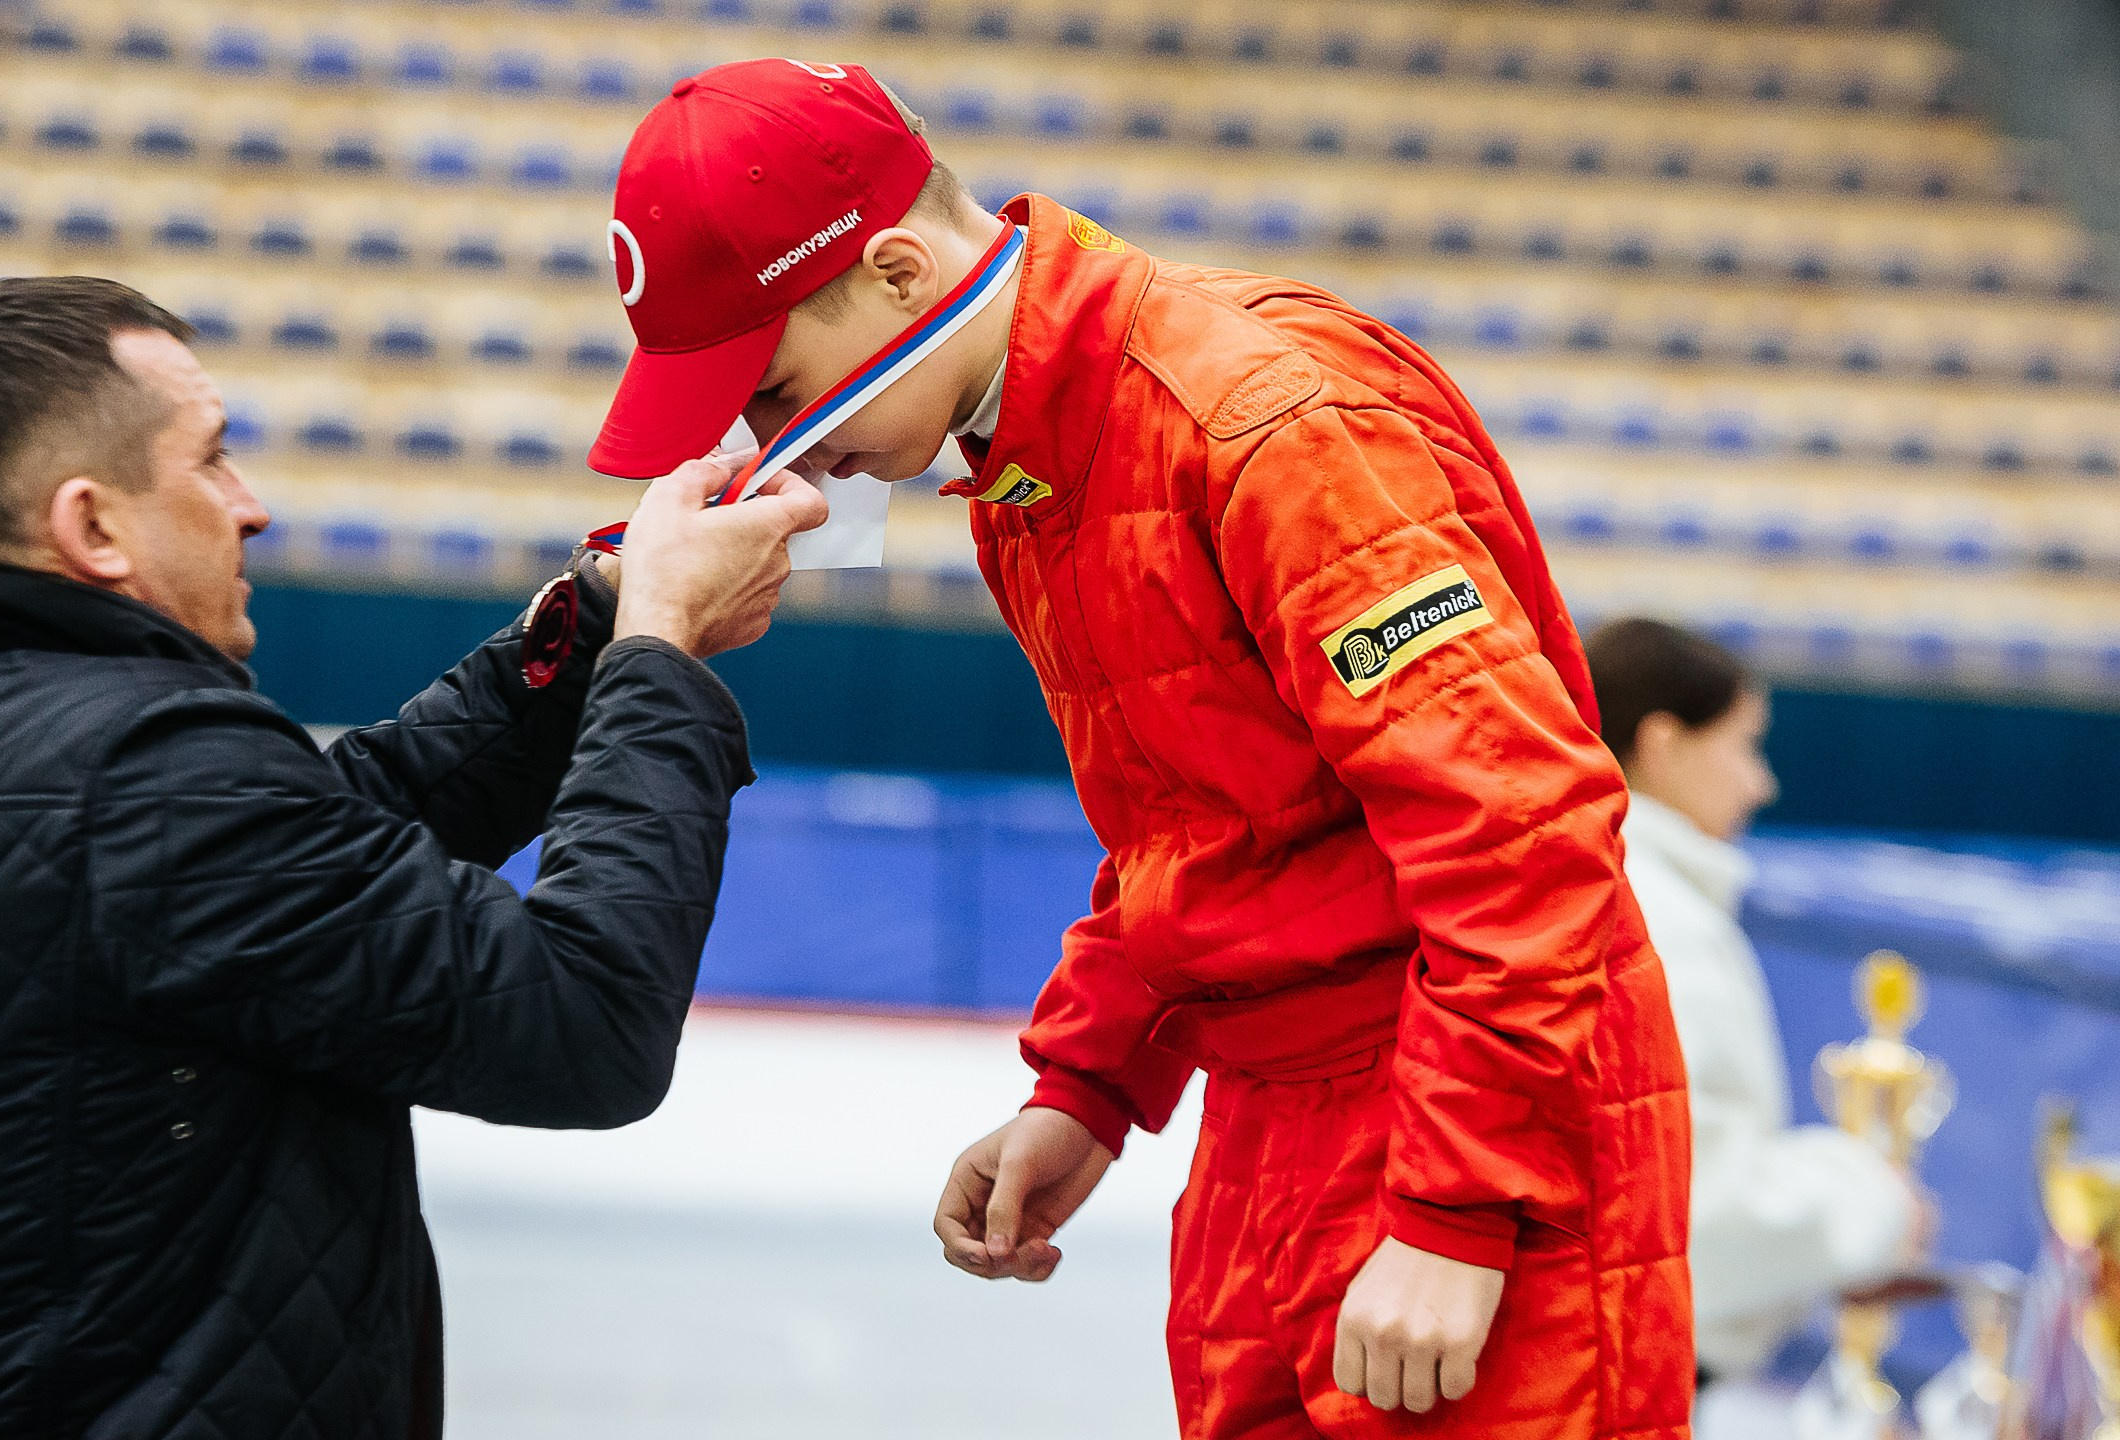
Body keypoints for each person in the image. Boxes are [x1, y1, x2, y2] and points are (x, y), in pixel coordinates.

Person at [588, 61, 1694, 1439]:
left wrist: (1459, 1207)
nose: (778, 446)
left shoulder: (1260, 422)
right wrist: (1092, 1084)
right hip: (1273, 1113)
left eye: (776, 390)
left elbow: (1519, 823)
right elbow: (1190, 822)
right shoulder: (1027, 470)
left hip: (1464, 1104)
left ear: (892, 271)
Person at [0, 276, 826, 1440]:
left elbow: (318, 854)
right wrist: (660, 655)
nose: (249, 505)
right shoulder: (141, 773)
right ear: (92, 526)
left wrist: (589, 624)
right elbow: (585, 1024)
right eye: (209, 461)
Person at [1584, 618, 1923, 1419]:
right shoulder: (1657, 922)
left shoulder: (1616, 891)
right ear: (1662, 744)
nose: (1759, 784)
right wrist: (1869, 1202)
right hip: (1627, 1379)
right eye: (1743, 746)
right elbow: (1689, 1214)